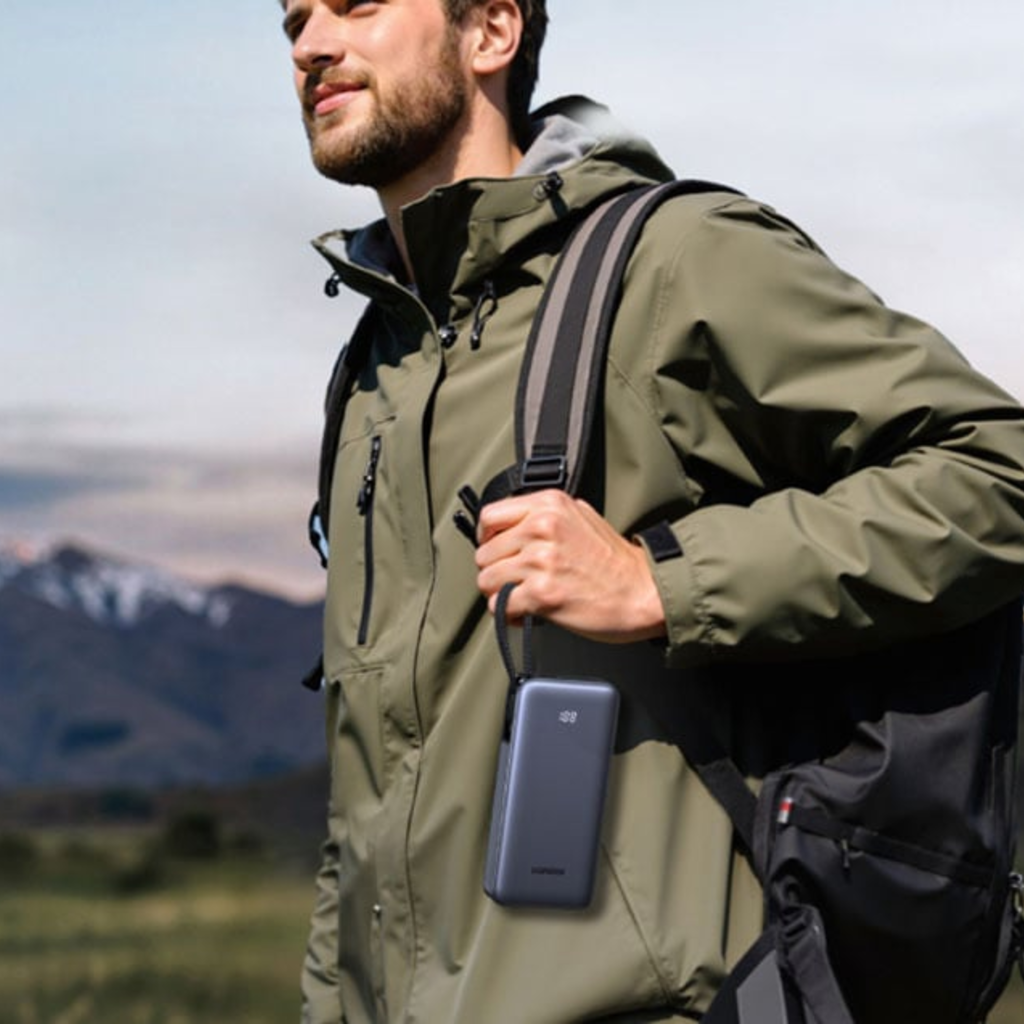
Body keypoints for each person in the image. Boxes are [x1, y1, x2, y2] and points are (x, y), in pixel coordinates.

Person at [280, 1, 1024, 1022]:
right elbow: (363, 798)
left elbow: (997, 471)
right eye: (293, 20)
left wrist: (661, 581)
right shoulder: (375, 370)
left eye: (356, 4)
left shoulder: (672, 261)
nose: (312, 44)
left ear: (491, 30)